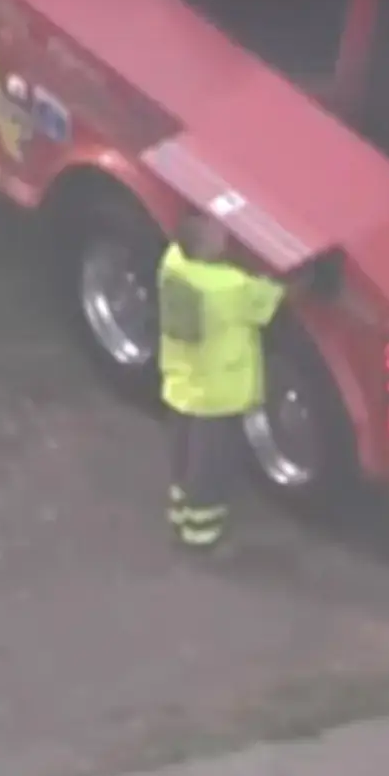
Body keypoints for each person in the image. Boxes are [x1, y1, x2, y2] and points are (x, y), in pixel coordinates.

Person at [158, 213, 287, 553]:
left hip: (184, 381)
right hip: (217, 393)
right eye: (215, 234)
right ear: (203, 248)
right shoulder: (229, 288)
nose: (224, 234)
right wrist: (300, 275)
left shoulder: (172, 263)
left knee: (184, 459)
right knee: (210, 468)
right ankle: (202, 535)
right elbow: (268, 299)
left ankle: (181, 517)